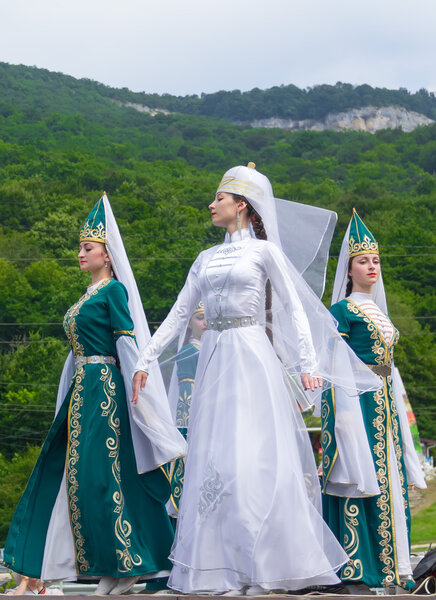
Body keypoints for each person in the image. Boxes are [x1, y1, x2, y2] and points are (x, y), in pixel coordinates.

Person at [133, 163, 381, 595]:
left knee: (255, 456)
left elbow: (295, 308)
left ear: (241, 205)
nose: (212, 205)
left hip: (251, 355)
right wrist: (144, 358)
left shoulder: (264, 253)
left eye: (220, 198)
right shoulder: (205, 258)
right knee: (217, 459)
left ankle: (266, 563)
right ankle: (223, 566)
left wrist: (307, 363)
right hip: (215, 355)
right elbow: (177, 314)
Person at [3, 195, 187, 595]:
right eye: (81, 247)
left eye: (88, 247)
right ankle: (110, 564)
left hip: (107, 392)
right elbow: (76, 355)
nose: (80, 253)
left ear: (108, 253)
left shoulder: (114, 292)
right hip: (83, 392)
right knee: (82, 479)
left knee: (105, 477)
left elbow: (125, 343)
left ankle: (127, 565)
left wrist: (140, 387)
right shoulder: (86, 296)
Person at [321, 209, 427, 590]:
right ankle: (357, 564)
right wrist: (343, 414)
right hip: (358, 402)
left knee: (388, 477)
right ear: (348, 270)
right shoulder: (343, 310)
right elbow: (336, 365)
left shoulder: (379, 312)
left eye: (376, 260)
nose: (371, 267)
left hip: (384, 404)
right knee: (360, 474)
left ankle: (391, 565)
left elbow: (391, 369)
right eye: (363, 261)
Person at [168, 302, 206, 520]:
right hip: (193, 422)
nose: (205, 322)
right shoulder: (189, 352)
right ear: (190, 323)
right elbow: (186, 397)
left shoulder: (212, 347)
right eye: (200, 317)